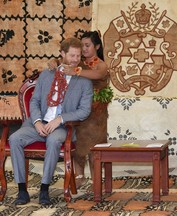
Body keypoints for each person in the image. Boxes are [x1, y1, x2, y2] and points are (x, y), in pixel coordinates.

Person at [9, 37, 93, 205]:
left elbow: (84, 111)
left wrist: (60, 119)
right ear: (62, 54)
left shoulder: (84, 81)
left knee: (54, 141)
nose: (76, 60)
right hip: (38, 125)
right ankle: (22, 190)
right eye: (72, 56)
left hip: (62, 127)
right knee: (14, 139)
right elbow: (34, 101)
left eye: (78, 56)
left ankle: (44, 189)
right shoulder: (47, 74)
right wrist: (38, 121)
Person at [48, 31, 109, 189]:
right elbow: (63, 61)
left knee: (95, 146)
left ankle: (97, 182)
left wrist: (76, 71)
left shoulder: (100, 64)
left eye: (87, 46)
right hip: (78, 112)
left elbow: (98, 74)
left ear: (96, 46)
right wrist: (53, 62)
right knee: (77, 143)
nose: (84, 49)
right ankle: (79, 177)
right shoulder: (78, 62)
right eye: (82, 46)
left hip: (96, 115)